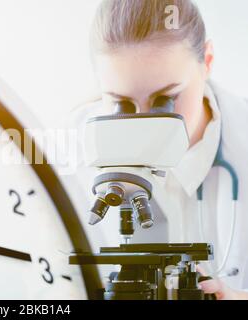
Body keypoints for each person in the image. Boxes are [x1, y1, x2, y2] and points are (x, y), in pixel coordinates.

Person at [73, 0, 248, 299]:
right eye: (123, 105)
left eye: (165, 99)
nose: (145, 122)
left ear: (206, 61)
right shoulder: (71, 148)